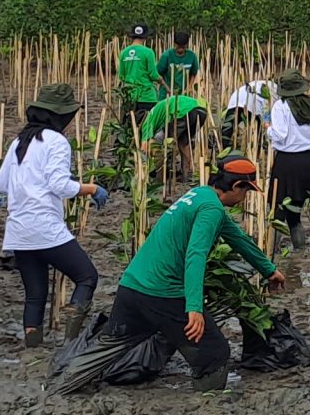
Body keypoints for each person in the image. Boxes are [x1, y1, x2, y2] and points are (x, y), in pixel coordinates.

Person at [104, 156, 286, 392]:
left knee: (107, 346)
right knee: (214, 352)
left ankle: (65, 380)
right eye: (246, 191)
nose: (244, 198)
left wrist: (269, 270)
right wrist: (194, 308)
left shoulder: (200, 194)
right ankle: (207, 408)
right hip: (161, 291)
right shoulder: (211, 209)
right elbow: (196, 255)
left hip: (131, 285)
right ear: (235, 187)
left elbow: (238, 238)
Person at [0, 83, 104, 349]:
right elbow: (60, 185)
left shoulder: (19, 140)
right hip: (46, 227)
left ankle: (32, 345)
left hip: (18, 230)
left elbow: (1, 183)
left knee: (35, 294)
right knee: (87, 277)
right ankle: (71, 341)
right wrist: (92, 188)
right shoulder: (56, 141)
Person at [267, 70, 310, 247]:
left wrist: (267, 128)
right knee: (295, 215)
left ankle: (268, 255)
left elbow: (279, 135)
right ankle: (300, 253)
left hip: (286, 163)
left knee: (277, 213)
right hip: (307, 163)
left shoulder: (280, 106)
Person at [117, 25, 163, 126]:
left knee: (130, 127)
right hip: (147, 97)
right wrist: (162, 81)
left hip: (130, 97)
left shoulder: (124, 53)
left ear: (131, 37)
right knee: (148, 126)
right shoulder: (148, 52)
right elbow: (153, 75)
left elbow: (121, 75)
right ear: (145, 37)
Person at [138, 90, 208, 147]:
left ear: (139, 124)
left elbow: (144, 145)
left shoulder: (147, 121)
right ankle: (186, 164)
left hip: (185, 112)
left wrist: (144, 161)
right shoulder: (154, 112)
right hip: (202, 111)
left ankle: (164, 159)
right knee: (183, 142)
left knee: (160, 137)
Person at [158, 31, 200, 97]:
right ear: (174, 44)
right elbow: (158, 74)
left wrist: (189, 88)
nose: (180, 49)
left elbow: (193, 73)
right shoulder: (166, 56)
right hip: (166, 94)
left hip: (184, 94)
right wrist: (167, 89)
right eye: (178, 46)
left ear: (187, 45)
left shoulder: (192, 56)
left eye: (183, 47)